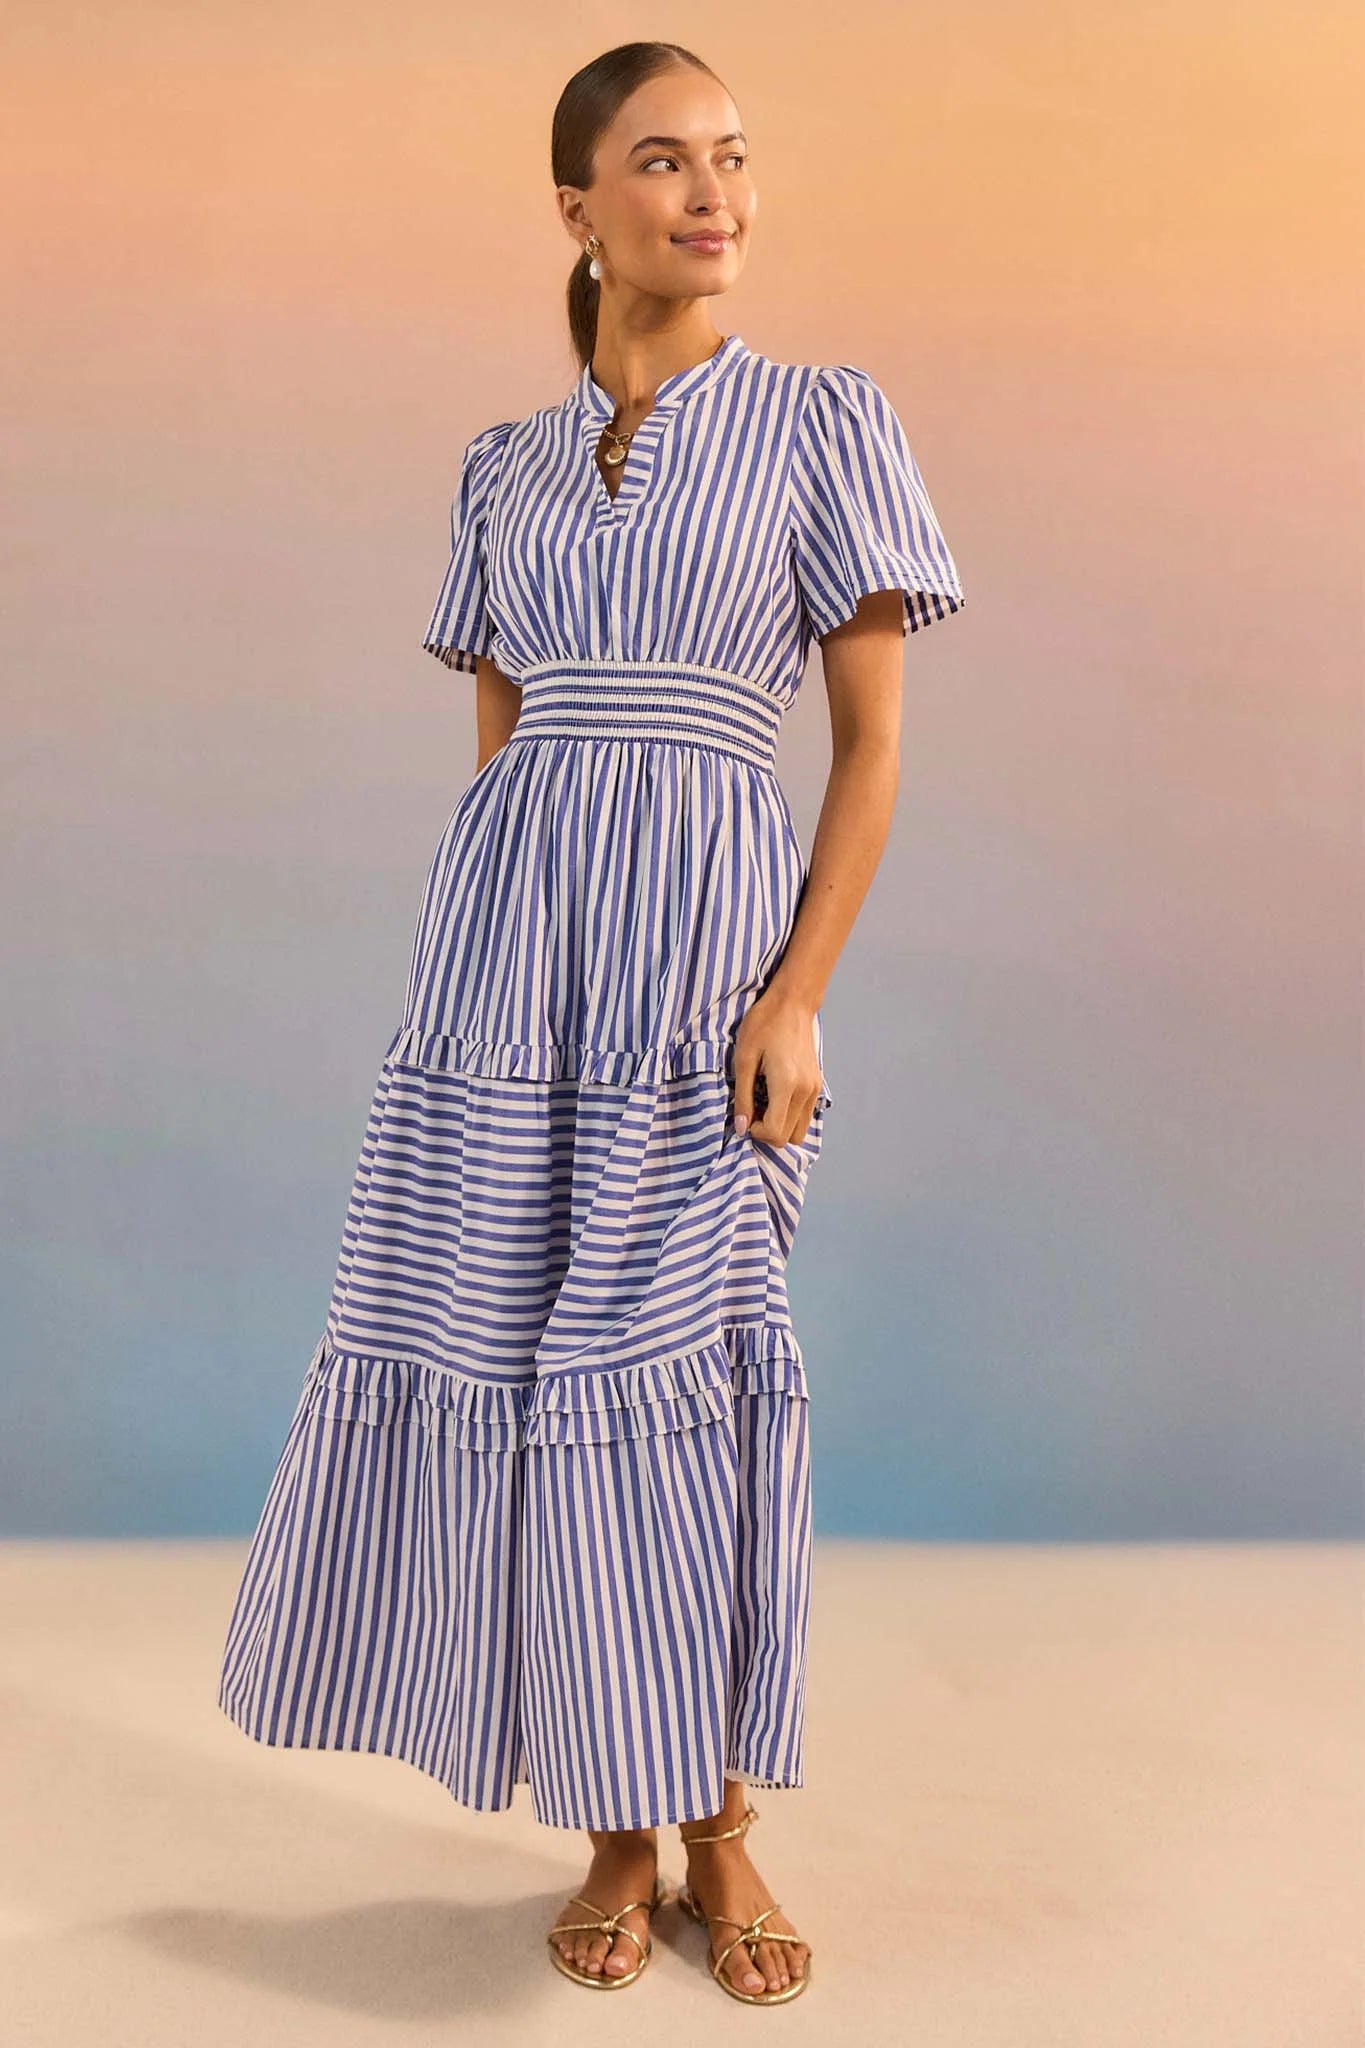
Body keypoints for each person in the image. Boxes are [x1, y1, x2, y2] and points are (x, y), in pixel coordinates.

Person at [216, 39, 965, 2010]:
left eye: (731, 159)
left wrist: (794, 991)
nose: (710, 194)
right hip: (501, 983)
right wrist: (479, 980)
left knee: (685, 1368)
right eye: (659, 162)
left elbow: (871, 743)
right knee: (517, 1359)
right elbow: (502, 751)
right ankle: (611, 1829)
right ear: (576, 206)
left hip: (701, 975)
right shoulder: (502, 466)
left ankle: (716, 1813)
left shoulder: (819, 421)